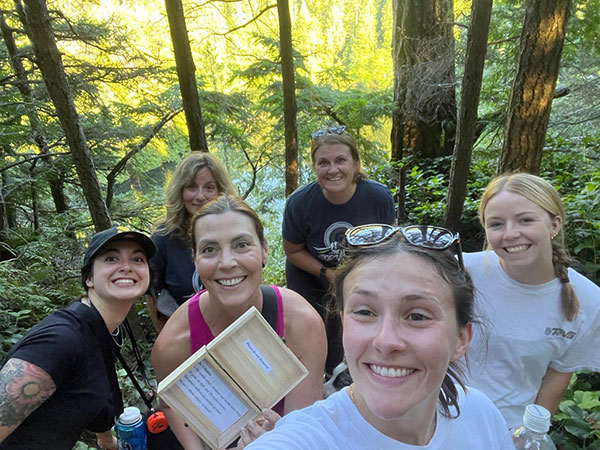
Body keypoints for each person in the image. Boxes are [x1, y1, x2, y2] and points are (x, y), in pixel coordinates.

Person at [244, 224, 514, 449]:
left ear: (461, 339)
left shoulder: (482, 418)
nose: (385, 341)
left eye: (417, 316)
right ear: (344, 324)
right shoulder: (306, 439)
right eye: (365, 312)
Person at [152, 194, 327, 450]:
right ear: (195, 260)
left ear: (264, 250)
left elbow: (301, 426)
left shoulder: (300, 323)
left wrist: (276, 441)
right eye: (209, 249)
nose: (227, 263)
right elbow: (171, 403)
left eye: (242, 245)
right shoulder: (175, 342)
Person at [464, 172, 600, 430]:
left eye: (525, 220)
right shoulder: (461, 272)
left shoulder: (590, 302)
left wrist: (527, 436)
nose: (510, 234)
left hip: (505, 433)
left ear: (554, 224)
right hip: (431, 421)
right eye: (496, 224)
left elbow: (557, 376)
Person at [0, 227, 156, 450]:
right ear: (89, 278)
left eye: (137, 259)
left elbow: (95, 382)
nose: (126, 267)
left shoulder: (101, 328)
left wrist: (106, 440)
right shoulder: (61, 339)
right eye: (111, 258)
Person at [282, 125, 395, 376]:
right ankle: (310, 376)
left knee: (353, 325)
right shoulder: (299, 203)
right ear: (314, 167)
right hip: (311, 273)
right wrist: (328, 273)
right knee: (313, 330)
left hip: (362, 272)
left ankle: (358, 373)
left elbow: (389, 245)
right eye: (324, 163)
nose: (333, 170)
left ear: (355, 163)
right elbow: (293, 250)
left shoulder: (378, 197)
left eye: (341, 160)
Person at [147, 151, 236, 332]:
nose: (200, 196)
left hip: (237, 327)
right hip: (188, 335)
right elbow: (152, 298)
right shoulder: (161, 240)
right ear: (180, 191)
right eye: (191, 187)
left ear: (221, 191)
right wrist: (167, 339)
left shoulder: (237, 230)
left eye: (209, 187)